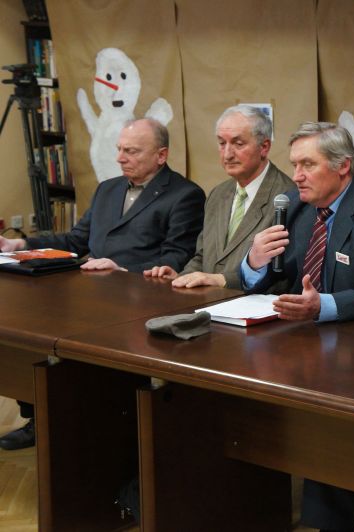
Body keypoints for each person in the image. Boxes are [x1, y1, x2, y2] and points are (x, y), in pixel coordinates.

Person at [241, 121, 354, 532]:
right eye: (294, 164)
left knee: (326, 413)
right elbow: (278, 275)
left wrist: (320, 306)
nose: (297, 176)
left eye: (307, 165)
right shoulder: (297, 205)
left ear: (343, 166)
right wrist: (254, 261)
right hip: (320, 346)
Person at [0, 118, 205, 451]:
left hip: (140, 304)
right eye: (120, 149)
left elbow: (176, 258)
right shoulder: (108, 188)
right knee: (33, 334)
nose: (121, 158)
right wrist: (20, 245)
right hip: (89, 296)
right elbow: (75, 240)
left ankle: (101, 435)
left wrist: (121, 268)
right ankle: (41, 417)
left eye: (132, 151)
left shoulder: (185, 195)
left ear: (161, 155)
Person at [143, 105, 292, 288]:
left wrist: (220, 280)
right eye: (222, 143)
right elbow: (202, 257)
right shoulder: (218, 193)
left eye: (238, 144)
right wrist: (181, 278)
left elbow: (282, 275)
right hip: (208, 300)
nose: (227, 154)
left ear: (264, 147)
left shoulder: (286, 197)